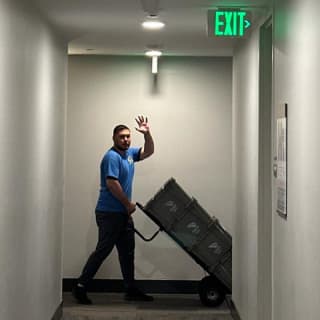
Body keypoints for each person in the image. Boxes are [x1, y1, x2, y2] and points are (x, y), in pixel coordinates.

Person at [72, 115, 154, 304]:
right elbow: (111, 183)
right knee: (103, 250)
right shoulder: (112, 156)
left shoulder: (129, 154)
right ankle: (80, 287)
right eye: (121, 137)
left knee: (127, 252)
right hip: (109, 213)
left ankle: (130, 289)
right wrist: (127, 204)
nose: (125, 140)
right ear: (114, 138)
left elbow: (148, 152)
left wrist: (147, 134)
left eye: (128, 136)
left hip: (122, 214)